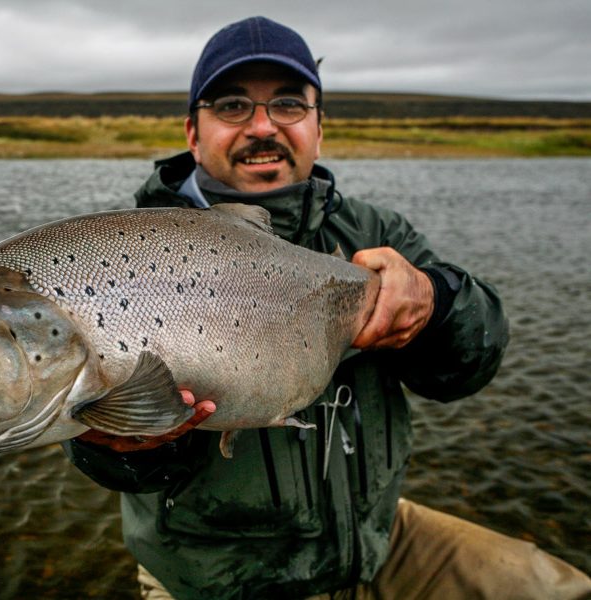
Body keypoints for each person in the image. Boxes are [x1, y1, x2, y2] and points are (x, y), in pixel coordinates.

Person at [63, 16, 591, 599]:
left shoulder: (373, 230)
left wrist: (436, 302)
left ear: (319, 127)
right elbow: (120, 468)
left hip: (376, 541)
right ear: (193, 131)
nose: (262, 126)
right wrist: (125, 447)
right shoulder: (116, 256)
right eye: (233, 106)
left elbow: (468, 367)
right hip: (217, 579)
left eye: (288, 104)